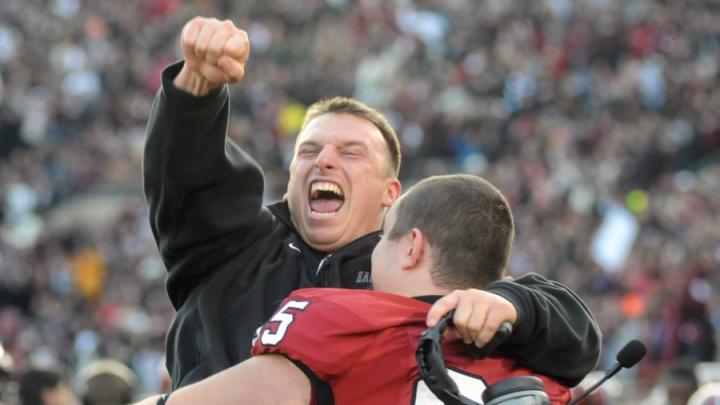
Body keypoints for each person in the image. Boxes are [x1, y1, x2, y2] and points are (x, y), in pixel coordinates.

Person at [143, 16, 600, 390]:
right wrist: (194, 93)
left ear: (390, 194)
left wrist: (510, 305)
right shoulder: (229, 248)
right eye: (308, 150)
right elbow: (189, 180)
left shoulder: (408, 269)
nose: (323, 161)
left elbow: (574, 336)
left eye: (351, 152)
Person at [137, 174, 572, 405]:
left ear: (413, 247)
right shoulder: (539, 364)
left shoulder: (340, 320)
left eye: (385, 236)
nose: (374, 249)